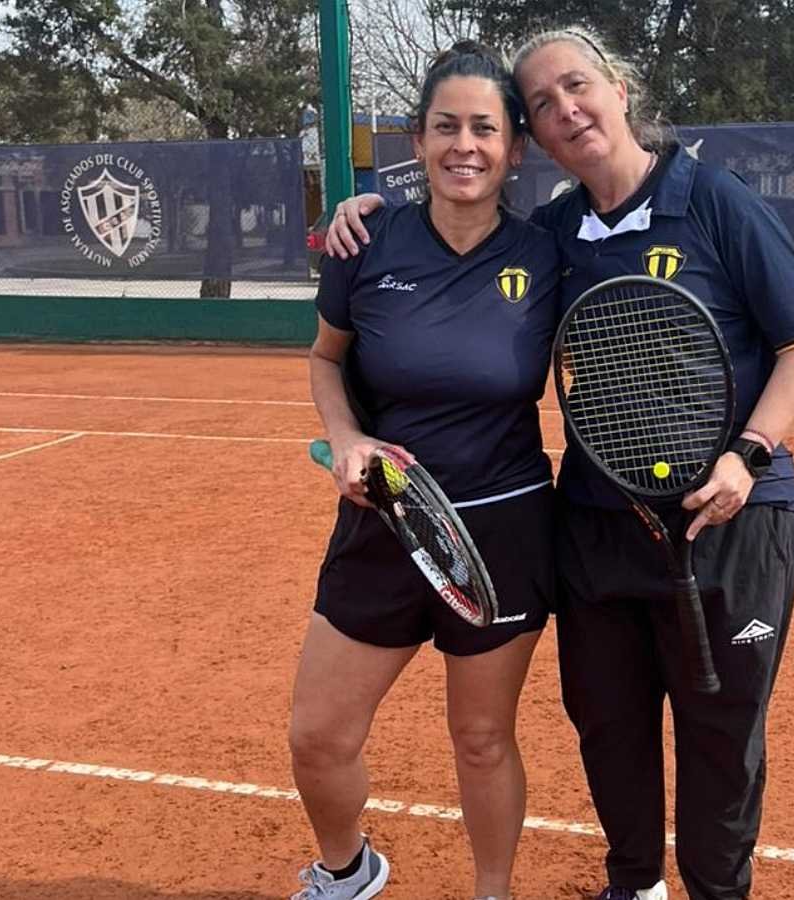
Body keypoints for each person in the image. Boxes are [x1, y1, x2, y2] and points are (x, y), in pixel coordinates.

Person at [325, 27, 794, 900]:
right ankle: (633, 886)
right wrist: (360, 211)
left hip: (732, 518)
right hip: (600, 522)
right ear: (535, 139)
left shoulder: (714, 200)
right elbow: (460, 240)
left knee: (719, 734)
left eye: (576, 86)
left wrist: (748, 455)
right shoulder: (555, 234)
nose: (565, 109)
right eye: (542, 103)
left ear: (620, 90)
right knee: (608, 723)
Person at [291, 41, 559, 900]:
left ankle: (492, 892)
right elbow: (326, 358)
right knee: (318, 736)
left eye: (485, 128)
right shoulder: (364, 241)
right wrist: (346, 437)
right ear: (417, 139)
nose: (464, 146)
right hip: (383, 518)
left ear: (514, 148)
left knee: (481, 738)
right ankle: (347, 871)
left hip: (503, 529)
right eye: (446, 127)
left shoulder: (549, 253)